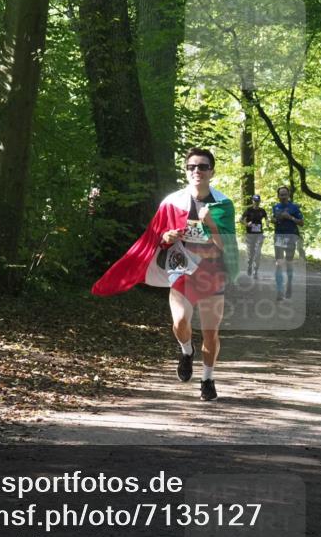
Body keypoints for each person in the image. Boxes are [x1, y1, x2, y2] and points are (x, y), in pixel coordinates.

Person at [91, 148, 239, 402]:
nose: (197, 171)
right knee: (180, 322)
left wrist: (211, 223)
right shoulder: (171, 202)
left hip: (211, 272)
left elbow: (226, 245)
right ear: (186, 171)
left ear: (212, 172)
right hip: (180, 266)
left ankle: (207, 379)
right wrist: (166, 237)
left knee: (210, 332)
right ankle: (186, 351)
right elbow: (156, 237)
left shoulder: (223, 205)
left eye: (203, 167)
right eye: (192, 167)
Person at [272, 185, 304, 300]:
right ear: (278, 196)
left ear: (288, 195)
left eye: (285, 194)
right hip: (279, 236)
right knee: (279, 263)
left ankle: (289, 285)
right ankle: (280, 291)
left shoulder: (294, 207)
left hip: (291, 236)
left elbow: (301, 223)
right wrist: (274, 220)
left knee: (289, 263)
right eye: (281, 195)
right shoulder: (275, 207)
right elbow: (274, 220)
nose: (283, 197)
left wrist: (290, 217)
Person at [240, 194, 268, 278]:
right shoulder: (248, 210)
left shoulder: (262, 210)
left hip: (259, 234)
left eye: (258, 201)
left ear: (260, 201)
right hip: (250, 235)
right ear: (252, 201)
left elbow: (266, 217)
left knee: (258, 253)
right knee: (250, 254)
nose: (256, 203)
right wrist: (246, 224)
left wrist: (267, 222)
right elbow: (240, 219)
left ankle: (256, 271)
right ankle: (249, 266)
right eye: (255, 201)